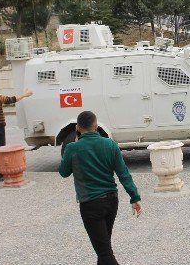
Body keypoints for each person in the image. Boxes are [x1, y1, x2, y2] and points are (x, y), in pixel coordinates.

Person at [60, 111, 142, 265]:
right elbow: (123, 173)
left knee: (104, 252)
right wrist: (134, 197)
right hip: (112, 201)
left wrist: (70, 152)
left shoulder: (73, 148)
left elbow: (63, 172)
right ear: (96, 126)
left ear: (77, 127)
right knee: (103, 248)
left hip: (90, 204)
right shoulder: (110, 144)